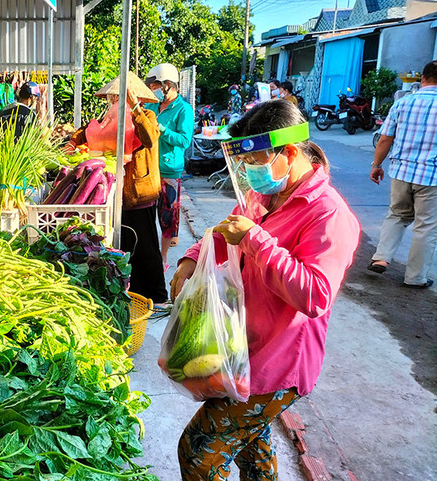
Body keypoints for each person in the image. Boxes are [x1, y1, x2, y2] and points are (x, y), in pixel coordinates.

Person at [169, 100, 360, 479]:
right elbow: (231, 230)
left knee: (198, 452)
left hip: (278, 365)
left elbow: (316, 295)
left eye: (255, 160)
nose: (249, 171)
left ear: (289, 153)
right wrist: (193, 256)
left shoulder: (329, 214)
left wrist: (256, 240)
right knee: (252, 448)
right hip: (244, 346)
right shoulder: (267, 195)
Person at [66, 73, 167, 303]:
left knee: (146, 247)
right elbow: (87, 132)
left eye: (117, 97)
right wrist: (72, 142)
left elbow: (151, 138)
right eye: (112, 98)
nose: (113, 101)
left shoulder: (147, 115)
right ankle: (131, 294)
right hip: (116, 194)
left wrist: (135, 111)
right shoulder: (109, 118)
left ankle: (157, 297)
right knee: (124, 246)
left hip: (139, 193)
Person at [368, 60, 437, 289]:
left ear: (423, 78)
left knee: (397, 214)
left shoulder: (403, 103)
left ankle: (381, 258)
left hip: (402, 171)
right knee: (425, 226)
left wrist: (377, 164)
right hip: (432, 176)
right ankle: (415, 277)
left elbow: (385, 138)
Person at [144, 63, 195, 269]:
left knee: (167, 218)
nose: (153, 90)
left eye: (155, 85)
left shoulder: (184, 109)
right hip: (149, 169)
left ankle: (163, 258)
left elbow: (184, 140)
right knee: (147, 217)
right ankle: (150, 255)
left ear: (167, 85)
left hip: (169, 172)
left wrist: (163, 129)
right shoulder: (153, 106)